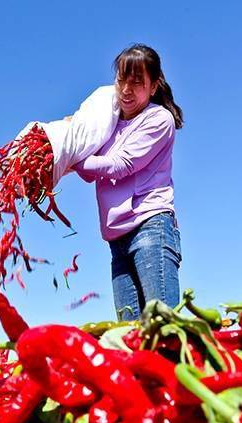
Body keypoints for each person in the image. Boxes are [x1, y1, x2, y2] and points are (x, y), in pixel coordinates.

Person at [72, 44, 185, 320]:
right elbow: (90, 172)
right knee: (129, 334)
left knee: (162, 327)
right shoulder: (107, 124)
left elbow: (121, 165)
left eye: (137, 83)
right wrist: (67, 146)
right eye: (121, 80)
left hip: (150, 227)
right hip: (117, 237)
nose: (126, 90)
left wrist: (67, 159)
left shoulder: (159, 119)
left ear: (154, 85)